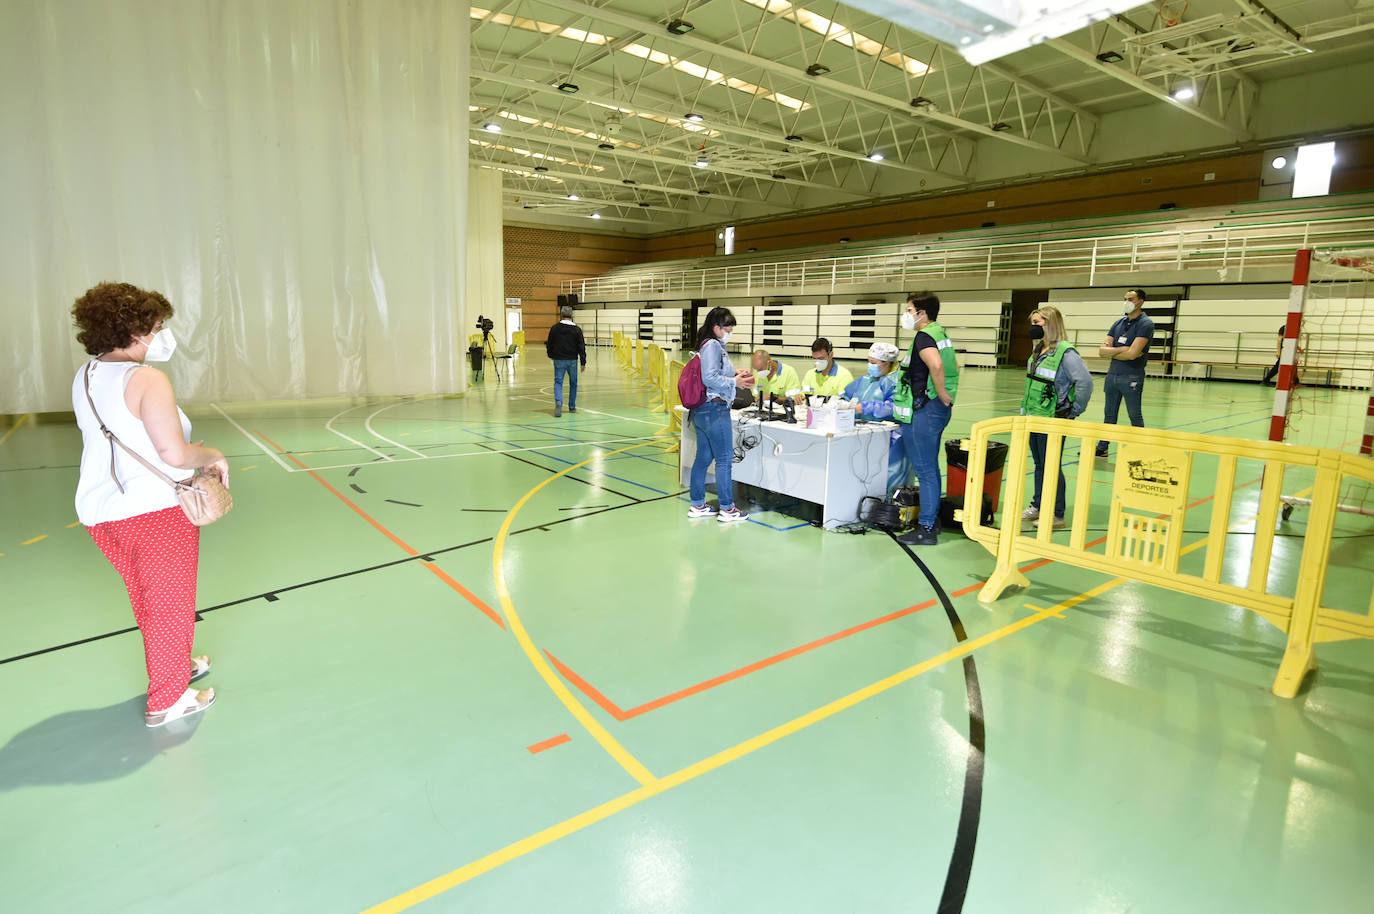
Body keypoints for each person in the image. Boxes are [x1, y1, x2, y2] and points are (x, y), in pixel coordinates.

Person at [70, 282, 229, 727]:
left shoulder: (86, 376)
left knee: (148, 597)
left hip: (102, 514)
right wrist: (212, 456)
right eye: (157, 327)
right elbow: (175, 455)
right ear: (135, 331)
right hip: (152, 511)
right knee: (170, 603)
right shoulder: (147, 379)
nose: (161, 335)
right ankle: (168, 699)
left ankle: (173, 665)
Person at [1019, 307, 1093, 529]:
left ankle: (1057, 513)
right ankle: (1039, 504)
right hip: (1033, 416)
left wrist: (1074, 410)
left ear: (1050, 324)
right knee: (1040, 464)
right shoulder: (1039, 349)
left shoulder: (1066, 352)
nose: (1033, 327)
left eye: (1037, 322)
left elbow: (1085, 382)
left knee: (1052, 464)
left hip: (1052, 418)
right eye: (1032, 322)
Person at [894, 292, 958, 546]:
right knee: (930, 467)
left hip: (925, 410)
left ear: (922, 313)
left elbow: (937, 366)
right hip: (934, 410)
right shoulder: (940, 333)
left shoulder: (924, 337)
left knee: (925, 470)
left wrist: (941, 393)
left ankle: (927, 527)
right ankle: (931, 520)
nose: (907, 314)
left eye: (909, 310)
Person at [687, 307, 755, 523]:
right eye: (728, 327)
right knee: (724, 459)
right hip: (715, 410)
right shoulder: (713, 346)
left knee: (704, 457)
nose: (730, 331)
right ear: (717, 327)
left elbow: (714, 373)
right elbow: (709, 378)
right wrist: (735, 382)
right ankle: (727, 508)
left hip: (702, 411)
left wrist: (734, 374)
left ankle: (698, 504)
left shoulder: (709, 345)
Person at [842, 341, 910, 493]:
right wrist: (841, 403)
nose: (869, 365)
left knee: (889, 476)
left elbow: (894, 407)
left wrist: (866, 407)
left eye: (873, 362)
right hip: (866, 435)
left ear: (887, 363)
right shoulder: (866, 380)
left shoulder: (898, 382)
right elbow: (847, 394)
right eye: (868, 362)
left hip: (892, 439)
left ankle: (888, 511)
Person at [1095, 288, 1154, 457]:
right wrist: (1122, 349)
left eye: (1131, 299)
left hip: (1132, 376)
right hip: (1112, 375)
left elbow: (1133, 354)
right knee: (1109, 414)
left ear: (1140, 301)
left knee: (1134, 415)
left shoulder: (1146, 324)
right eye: (1125, 298)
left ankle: (1139, 448)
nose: (1127, 302)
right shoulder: (1118, 323)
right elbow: (1101, 351)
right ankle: (1102, 447)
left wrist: (1113, 350)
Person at [545, 305, 586, 417]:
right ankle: (572, 406)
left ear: (561, 314)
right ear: (571, 315)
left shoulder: (555, 328)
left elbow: (549, 344)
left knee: (558, 382)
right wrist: (583, 362)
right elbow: (581, 347)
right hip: (572, 360)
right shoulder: (577, 329)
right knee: (573, 383)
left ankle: (559, 402)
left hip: (559, 360)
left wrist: (551, 356)